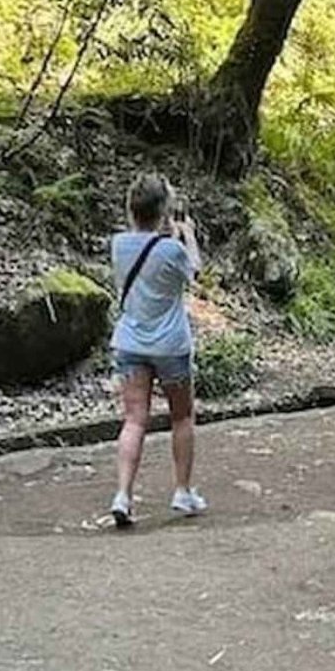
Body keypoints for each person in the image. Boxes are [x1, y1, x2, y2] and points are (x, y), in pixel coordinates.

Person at [108, 173, 205, 526]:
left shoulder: (118, 245)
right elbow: (193, 272)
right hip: (171, 346)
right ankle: (182, 490)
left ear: (131, 209)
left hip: (130, 342)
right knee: (181, 416)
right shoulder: (172, 250)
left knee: (134, 419)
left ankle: (123, 495)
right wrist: (187, 235)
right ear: (164, 210)